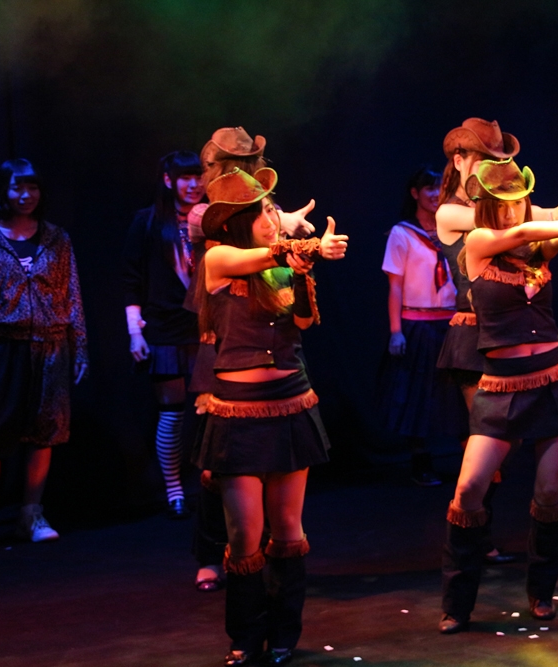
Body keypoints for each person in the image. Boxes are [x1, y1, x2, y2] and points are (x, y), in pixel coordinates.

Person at [192, 167, 348, 665]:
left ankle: (284, 634)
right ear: (236, 222)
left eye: (270, 209)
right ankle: (245, 636)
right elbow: (260, 256)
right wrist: (307, 247)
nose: (271, 217)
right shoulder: (220, 257)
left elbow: (303, 320)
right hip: (238, 415)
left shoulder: (281, 262)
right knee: (244, 534)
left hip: (289, 404)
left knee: (287, 528)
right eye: (261, 212)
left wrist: (302, 270)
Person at [439, 158, 558, 634]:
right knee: (469, 489)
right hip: (501, 385)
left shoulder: (536, 250)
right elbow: (525, 232)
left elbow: (544, 238)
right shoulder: (478, 243)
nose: (513, 211)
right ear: (488, 207)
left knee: (549, 493)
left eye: (519, 202)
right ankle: (457, 602)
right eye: (503, 204)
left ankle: (541, 593)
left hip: (554, 378)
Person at [435, 118, 558, 562]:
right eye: (486, 159)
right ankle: (473, 537)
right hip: (474, 334)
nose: (496, 169)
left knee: (510, 445)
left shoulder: (515, 208)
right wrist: (554, 216)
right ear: (460, 160)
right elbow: (508, 223)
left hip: (516, 332)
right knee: (487, 441)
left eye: (501, 160)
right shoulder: (451, 212)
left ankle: (483, 531)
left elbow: (524, 223)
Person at [0, 159, 88, 551]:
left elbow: (72, 293)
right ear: (3, 191)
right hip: (3, 343)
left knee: (45, 431)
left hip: (51, 344)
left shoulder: (56, 238)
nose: (25, 195)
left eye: (32, 187)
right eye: (17, 187)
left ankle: (31, 515)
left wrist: (80, 347)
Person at [122, 151, 205, 519]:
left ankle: (213, 481)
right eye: (186, 177)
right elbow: (131, 279)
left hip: (206, 326)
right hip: (164, 327)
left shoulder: (214, 219)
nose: (194, 184)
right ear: (169, 180)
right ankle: (174, 490)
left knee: (213, 410)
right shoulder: (148, 221)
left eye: (199, 177)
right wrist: (134, 332)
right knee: (173, 411)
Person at [376, 167, 467, 486]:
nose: (435, 193)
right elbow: (395, 286)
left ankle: (472, 464)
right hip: (417, 323)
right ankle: (421, 461)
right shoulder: (402, 233)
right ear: (415, 193)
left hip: (452, 321)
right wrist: (396, 331)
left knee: (459, 395)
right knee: (417, 395)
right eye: (429, 188)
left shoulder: (453, 231)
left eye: (440, 187)